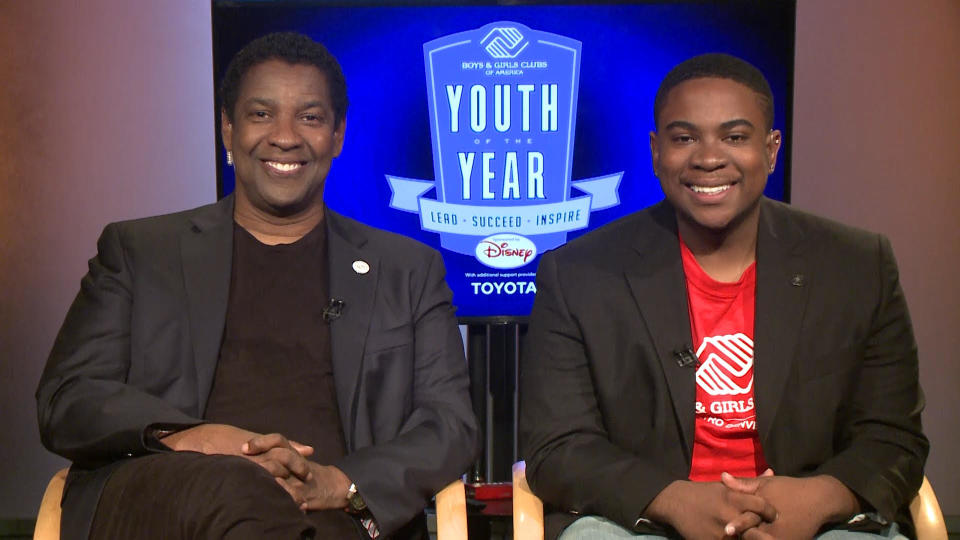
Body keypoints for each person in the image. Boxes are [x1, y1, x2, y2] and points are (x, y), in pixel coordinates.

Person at [37, 32, 478, 540]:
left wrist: (342, 483)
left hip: (333, 516)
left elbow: (450, 425)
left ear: (337, 134)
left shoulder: (406, 269)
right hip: (167, 502)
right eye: (261, 114)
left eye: (310, 118)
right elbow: (68, 397)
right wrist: (191, 438)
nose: (285, 136)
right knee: (237, 487)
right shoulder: (139, 251)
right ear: (228, 129)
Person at [519, 53, 927, 540]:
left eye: (735, 137)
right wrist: (674, 499)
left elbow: (894, 439)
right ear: (655, 151)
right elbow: (557, 447)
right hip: (644, 521)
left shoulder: (858, 265)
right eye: (684, 138)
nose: (709, 157)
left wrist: (815, 501)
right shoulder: (579, 273)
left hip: (814, 523)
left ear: (772, 149)